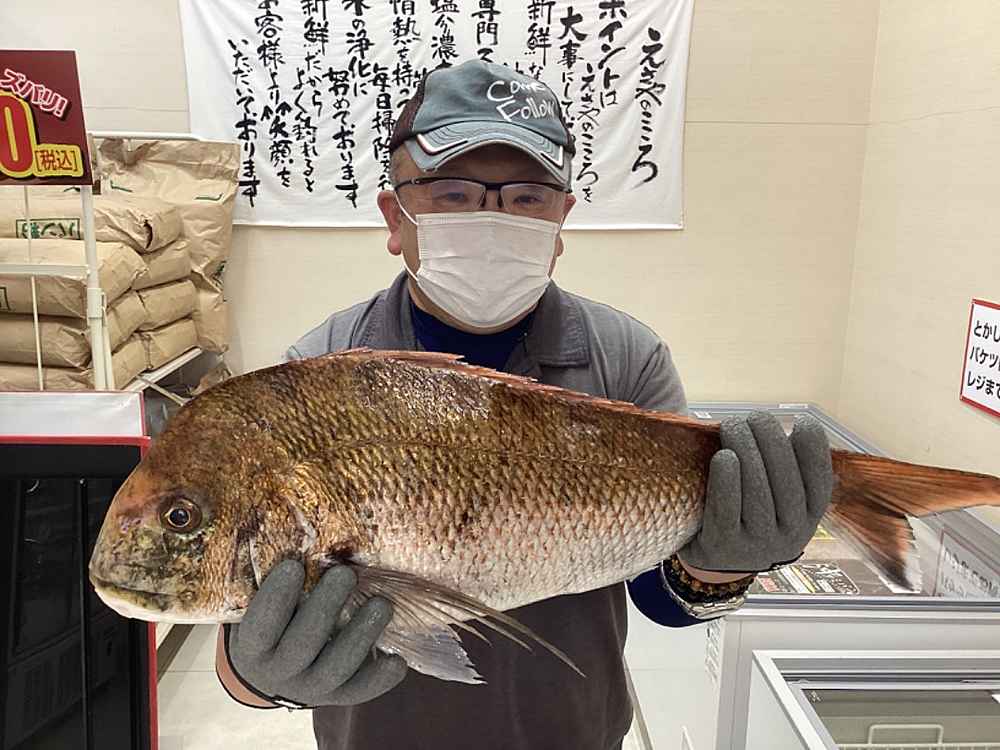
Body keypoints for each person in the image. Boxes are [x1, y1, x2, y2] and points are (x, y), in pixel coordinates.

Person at [215, 59, 833, 750]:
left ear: (561, 219)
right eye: (452, 193)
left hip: (572, 730)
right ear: (395, 215)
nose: (491, 217)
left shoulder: (626, 357)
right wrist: (254, 674)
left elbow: (659, 598)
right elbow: (241, 614)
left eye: (527, 196)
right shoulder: (320, 369)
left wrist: (723, 563)